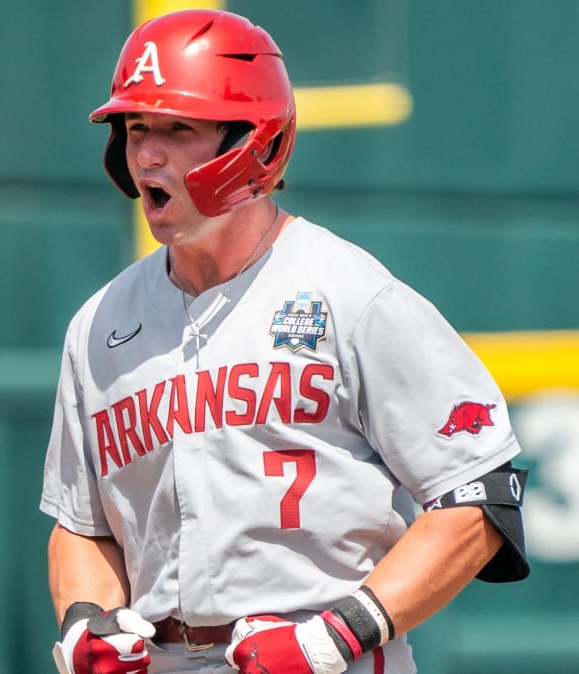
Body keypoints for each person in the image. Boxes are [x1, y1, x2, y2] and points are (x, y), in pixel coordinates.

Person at [39, 9, 530, 674]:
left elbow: (478, 496)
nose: (147, 153)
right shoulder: (99, 324)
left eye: (178, 128)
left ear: (257, 143)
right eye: (136, 128)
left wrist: (336, 636)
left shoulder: (350, 293)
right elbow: (83, 525)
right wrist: (84, 622)